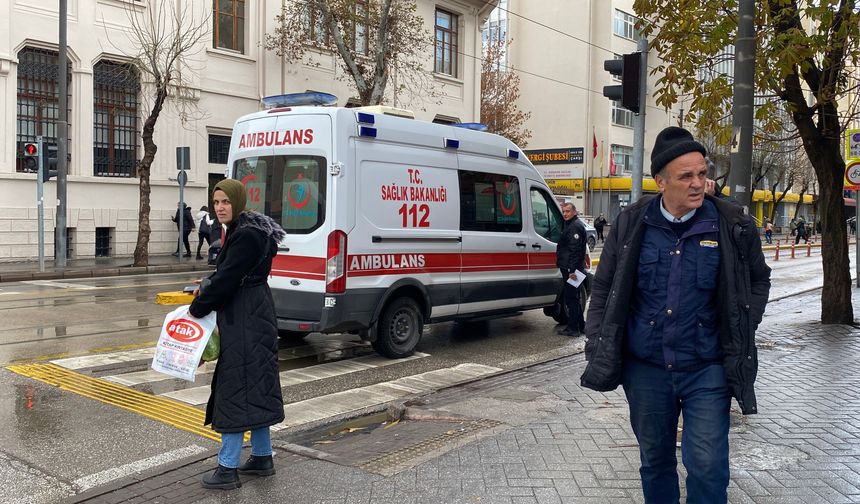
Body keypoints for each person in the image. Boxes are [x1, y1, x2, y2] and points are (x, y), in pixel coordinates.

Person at [580, 126, 771, 503]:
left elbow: (758, 282)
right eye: (687, 176)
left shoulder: (733, 226)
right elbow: (603, 288)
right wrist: (597, 336)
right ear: (661, 182)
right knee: (655, 461)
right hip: (646, 369)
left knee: (708, 466)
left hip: (707, 368)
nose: (699, 183)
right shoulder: (632, 224)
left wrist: (745, 322)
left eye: (703, 173)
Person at [189, 179, 286, 490]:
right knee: (255, 385)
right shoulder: (248, 230)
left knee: (234, 389)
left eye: (225, 202)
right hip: (254, 313)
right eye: (216, 202)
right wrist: (206, 283)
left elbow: (227, 279)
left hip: (246, 318)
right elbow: (228, 273)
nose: (219, 208)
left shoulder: (245, 235)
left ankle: (227, 469)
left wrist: (198, 307)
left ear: (238, 202)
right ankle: (262, 457)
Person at [555, 202, 587, 337]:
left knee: (571, 298)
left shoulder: (574, 227)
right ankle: (581, 325)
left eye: (568, 211)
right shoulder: (573, 225)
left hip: (572, 270)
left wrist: (572, 271)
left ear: (574, 212)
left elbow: (575, 251)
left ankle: (573, 328)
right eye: (564, 212)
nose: (565, 214)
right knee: (573, 297)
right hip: (572, 268)